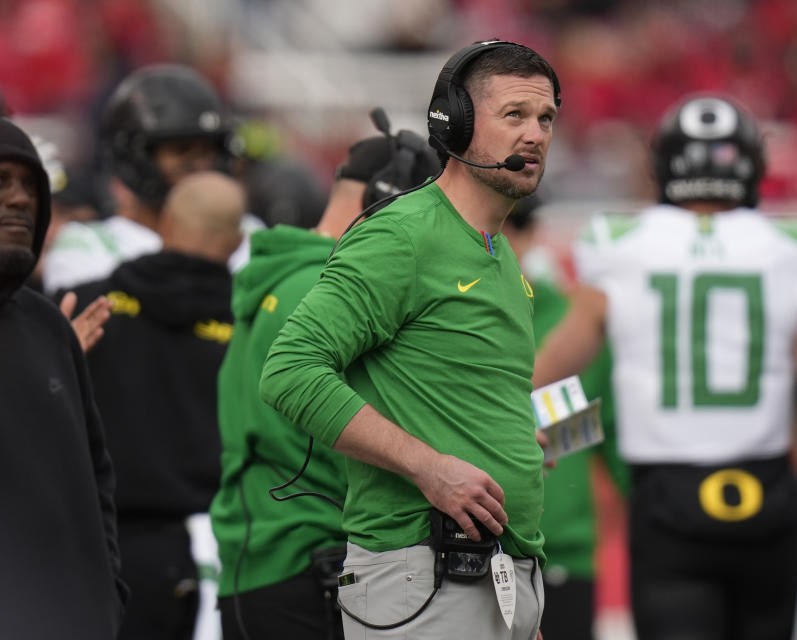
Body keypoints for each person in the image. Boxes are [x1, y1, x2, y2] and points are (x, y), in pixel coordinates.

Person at [533, 94, 797, 640]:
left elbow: (553, 377)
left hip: (669, 501)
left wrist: (532, 423)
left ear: (663, 163)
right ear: (751, 165)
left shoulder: (618, 246)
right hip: (766, 496)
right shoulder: (792, 246)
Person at [260, 39, 560, 640]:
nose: (535, 134)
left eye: (546, 118)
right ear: (457, 122)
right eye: (514, 116)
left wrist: (520, 597)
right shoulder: (403, 235)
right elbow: (289, 371)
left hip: (493, 577)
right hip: (428, 574)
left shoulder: (496, 253)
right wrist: (428, 468)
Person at [212, 116, 440, 640]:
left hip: (261, 564)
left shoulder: (280, 278)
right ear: (388, 201)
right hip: (314, 564)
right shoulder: (333, 292)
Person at [68, 171, 245, 639]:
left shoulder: (89, 310)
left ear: (164, 222)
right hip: (224, 554)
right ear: (237, 241)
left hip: (107, 547)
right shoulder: (257, 329)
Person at [0, 117, 127, 638]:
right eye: (2, 182)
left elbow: (96, 474)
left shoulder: (48, 326)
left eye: (30, 185)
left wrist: (107, 591)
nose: (20, 199)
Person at [502, 198, 629, 640]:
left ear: (531, 233)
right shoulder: (437, 321)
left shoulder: (579, 329)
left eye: (511, 225)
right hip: (462, 556)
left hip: (560, 560)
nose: (498, 238)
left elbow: (617, 444)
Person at [42, 64, 261, 295]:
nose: (202, 166)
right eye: (182, 150)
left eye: (209, 151)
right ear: (134, 157)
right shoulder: (85, 247)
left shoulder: (250, 233)